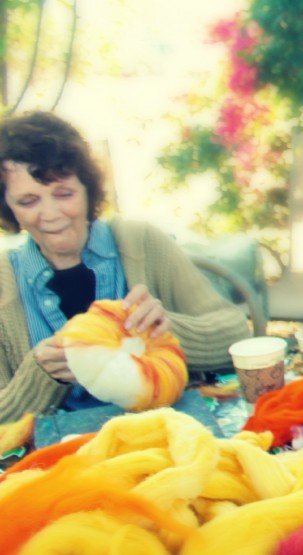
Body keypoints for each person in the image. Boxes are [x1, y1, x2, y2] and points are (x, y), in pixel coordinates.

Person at [0, 111, 251, 422]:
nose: (50, 214)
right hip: (60, 458)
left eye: (63, 194)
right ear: (7, 206)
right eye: (28, 202)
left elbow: (236, 334)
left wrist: (168, 331)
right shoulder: (4, 281)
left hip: (169, 430)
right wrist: (40, 375)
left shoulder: (142, 243)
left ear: (88, 189)